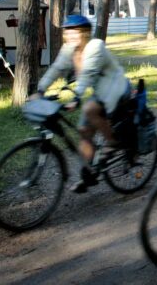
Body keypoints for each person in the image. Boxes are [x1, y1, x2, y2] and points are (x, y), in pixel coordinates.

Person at [35, 15, 132, 193]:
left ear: (86, 33)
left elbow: (88, 73)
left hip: (116, 88)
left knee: (89, 109)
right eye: (68, 32)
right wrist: (40, 89)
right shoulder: (69, 49)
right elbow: (56, 69)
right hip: (100, 91)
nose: (71, 36)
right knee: (83, 131)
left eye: (76, 32)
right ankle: (89, 173)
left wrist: (76, 96)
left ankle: (113, 141)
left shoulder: (95, 46)